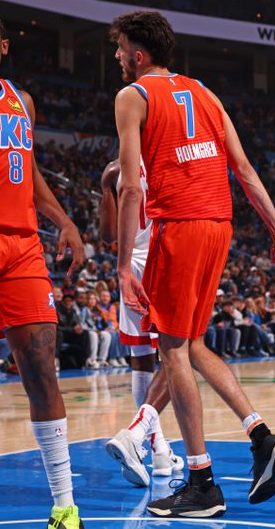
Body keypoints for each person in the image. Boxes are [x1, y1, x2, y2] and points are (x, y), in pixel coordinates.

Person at [111, 11, 275, 517]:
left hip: (181, 225)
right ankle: (261, 436)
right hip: (220, 224)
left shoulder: (133, 96)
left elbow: (130, 188)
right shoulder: (207, 94)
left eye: (121, 49)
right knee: (191, 343)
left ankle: (201, 480)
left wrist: (124, 265)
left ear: (139, 54)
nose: (118, 58)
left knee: (171, 350)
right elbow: (244, 169)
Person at [0, 7, 85, 528]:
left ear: (4, 46)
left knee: (41, 368)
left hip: (24, 244)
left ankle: (65, 507)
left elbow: (26, 170)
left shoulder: (20, 101)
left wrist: (64, 221)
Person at [100, 158, 184, 486]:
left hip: (131, 265)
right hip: (162, 259)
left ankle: (159, 450)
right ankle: (154, 445)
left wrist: (105, 188)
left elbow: (108, 234)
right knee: (177, 353)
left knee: (142, 361)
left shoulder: (113, 169)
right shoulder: (168, 159)